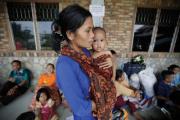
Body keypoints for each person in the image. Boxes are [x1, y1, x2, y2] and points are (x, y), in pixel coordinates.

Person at [53, 4, 115, 120]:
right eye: (88, 31)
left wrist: (110, 61)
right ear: (70, 34)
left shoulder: (85, 52)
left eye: (92, 29)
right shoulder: (65, 65)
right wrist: (105, 104)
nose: (92, 35)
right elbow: (80, 107)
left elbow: (100, 71)